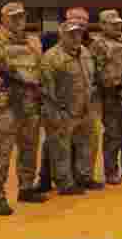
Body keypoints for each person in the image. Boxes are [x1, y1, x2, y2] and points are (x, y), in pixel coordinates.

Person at [0, 2, 48, 215]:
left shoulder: (33, 41)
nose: (18, 20)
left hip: (30, 103)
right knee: (1, 151)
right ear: (3, 19)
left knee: (29, 147)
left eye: (21, 16)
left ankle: (26, 188)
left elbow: (40, 69)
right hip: (5, 105)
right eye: (13, 17)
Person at [40, 20, 100, 195]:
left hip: (85, 109)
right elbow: (46, 89)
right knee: (61, 149)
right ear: (62, 35)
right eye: (71, 34)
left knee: (87, 145)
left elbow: (90, 79)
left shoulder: (85, 53)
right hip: (63, 111)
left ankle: (84, 177)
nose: (75, 37)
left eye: (78, 33)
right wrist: (56, 112)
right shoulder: (51, 57)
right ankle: (64, 183)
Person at [89, 9, 122, 184]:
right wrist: (118, 88)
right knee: (113, 134)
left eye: (118, 24)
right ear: (102, 25)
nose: (117, 27)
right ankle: (111, 171)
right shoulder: (98, 45)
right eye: (113, 24)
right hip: (112, 95)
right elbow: (99, 72)